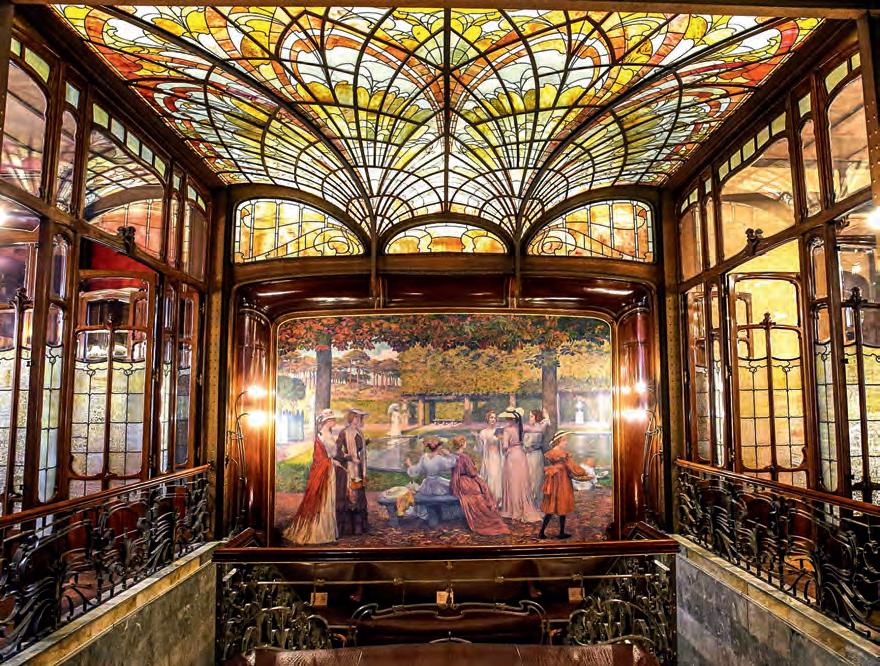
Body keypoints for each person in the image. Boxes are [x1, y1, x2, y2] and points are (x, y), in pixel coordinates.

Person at [284, 409, 340, 544]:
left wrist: (333, 461)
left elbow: (332, 453)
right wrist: (332, 462)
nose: (334, 421)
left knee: (328, 499)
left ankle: (327, 531)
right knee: (323, 499)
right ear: (326, 422)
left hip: (329, 471)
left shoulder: (329, 434)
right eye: (332, 419)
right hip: (324, 472)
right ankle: (318, 532)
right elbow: (319, 459)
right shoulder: (321, 436)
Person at [449, 436, 509, 536]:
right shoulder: (464, 457)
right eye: (465, 442)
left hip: (456, 482)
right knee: (482, 489)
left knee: (481, 486)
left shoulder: (452, 456)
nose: (466, 444)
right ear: (462, 444)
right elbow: (472, 472)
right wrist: (475, 470)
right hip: (465, 482)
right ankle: (487, 516)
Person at [539, 431, 593, 540]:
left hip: (554, 480)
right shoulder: (562, 454)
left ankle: (547, 532)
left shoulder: (552, 452)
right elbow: (572, 466)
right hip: (561, 480)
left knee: (553, 506)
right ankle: (556, 532)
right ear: (559, 441)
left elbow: (562, 466)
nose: (566, 442)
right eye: (564, 440)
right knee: (561, 504)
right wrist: (584, 472)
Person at [498, 409, 542, 523]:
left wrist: (502, 442)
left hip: (512, 456)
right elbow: (538, 430)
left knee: (513, 482)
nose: (506, 420)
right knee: (521, 482)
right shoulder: (522, 427)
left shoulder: (507, 429)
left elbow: (505, 446)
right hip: (521, 455)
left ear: (510, 419)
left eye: (507, 418)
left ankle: (513, 509)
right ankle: (522, 506)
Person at [334, 408, 369, 536]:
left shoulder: (359, 432)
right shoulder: (344, 432)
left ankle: (358, 527)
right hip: (348, 469)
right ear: (351, 418)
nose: (358, 420)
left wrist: (365, 445)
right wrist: (350, 457)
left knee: (357, 493)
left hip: (357, 469)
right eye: (356, 417)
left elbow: (360, 450)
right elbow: (336, 451)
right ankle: (348, 528)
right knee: (349, 495)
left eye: (360, 418)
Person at [523, 408, 550, 503]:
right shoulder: (528, 428)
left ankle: (535, 499)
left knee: (536, 477)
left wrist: (546, 417)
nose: (529, 418)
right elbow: (525, 442)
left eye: (531, 416)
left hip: (535, 455)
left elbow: (533, 441)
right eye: (529, 416)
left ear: (536, 417)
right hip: (527, 455)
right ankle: (528, 499)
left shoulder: (539, 427)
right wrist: (525, 447)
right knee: (528, 477)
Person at [478, 410, 503, 506]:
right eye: (491, 417)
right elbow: (480, 448)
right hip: (487, 458)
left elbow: (503, 445)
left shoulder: (499, 430)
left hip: (497, 457)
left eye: (494, 418)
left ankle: (497, 500)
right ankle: (490, 500)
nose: (493, 419)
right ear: (487, 419)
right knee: (489, 477)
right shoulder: (483, 432)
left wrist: (501, 439)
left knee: (496, 477)